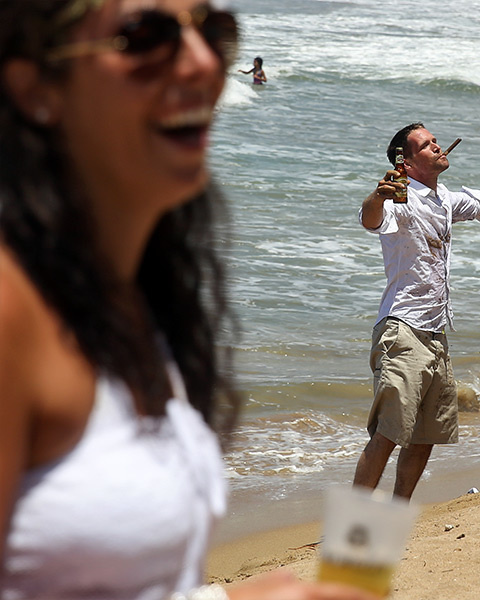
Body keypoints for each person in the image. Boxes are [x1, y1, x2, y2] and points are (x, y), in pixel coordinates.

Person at [0, 1, 375, 599]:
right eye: (147, 37)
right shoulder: (12, 311)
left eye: (214, 32)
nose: (203, 63)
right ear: (36, 87)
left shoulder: (133, 297)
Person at [353, 122, 480, 500]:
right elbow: (371, 220)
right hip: (403, 327)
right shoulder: (400, 200)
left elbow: (477, 204)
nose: (436, 146)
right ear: (408, 162)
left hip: (435, 332)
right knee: (388, 431)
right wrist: (377, 196)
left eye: (436, 141)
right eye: (426, 145)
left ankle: (398, 510)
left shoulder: (444, 199)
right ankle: (352, 519)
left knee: (425, 436)